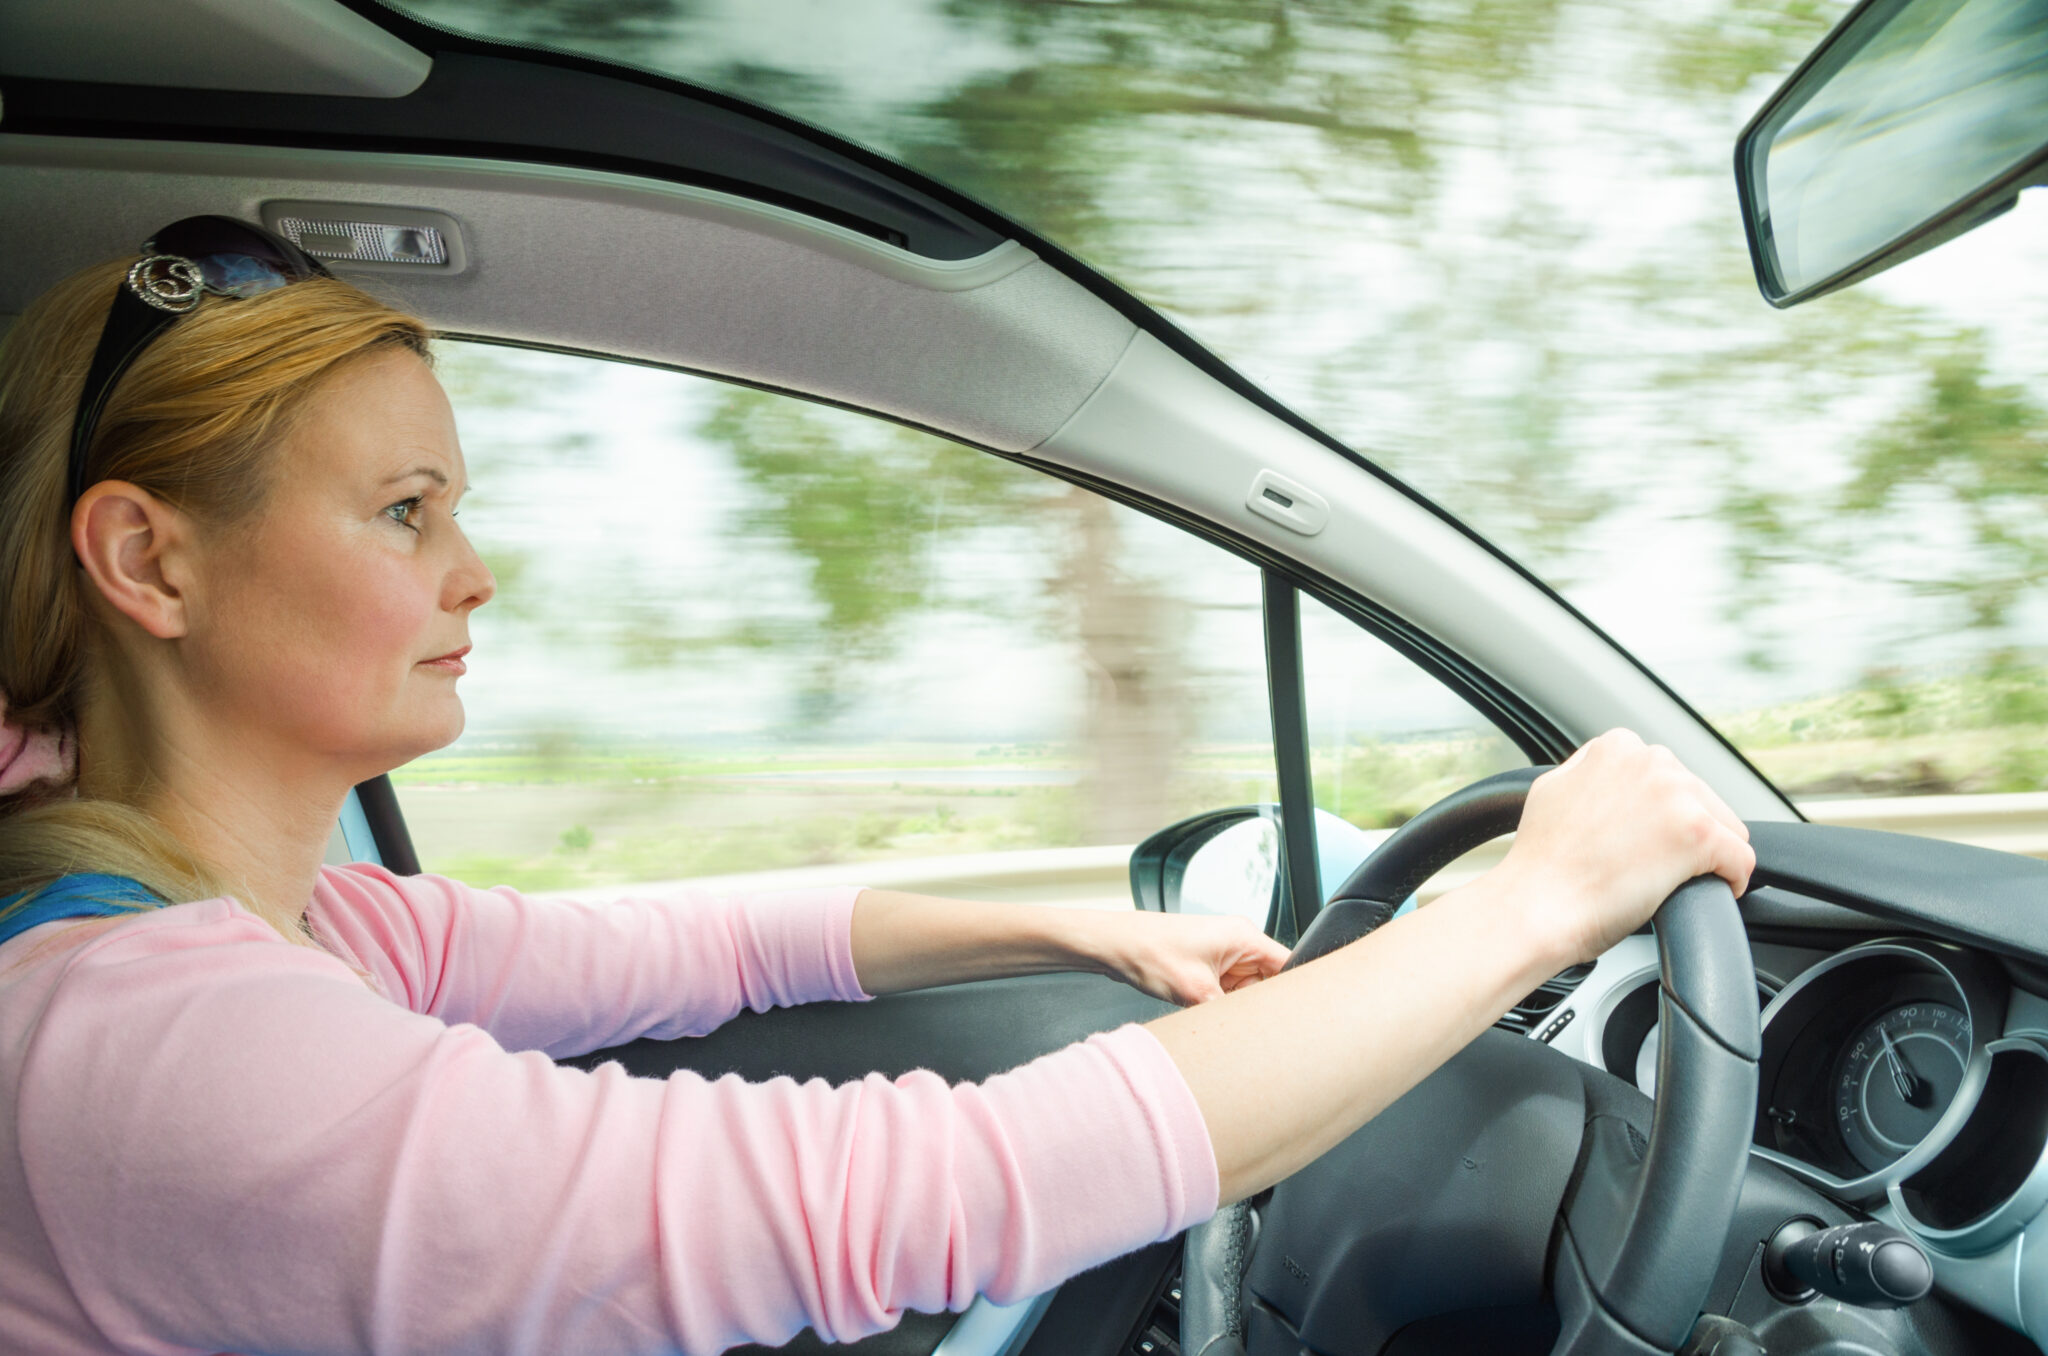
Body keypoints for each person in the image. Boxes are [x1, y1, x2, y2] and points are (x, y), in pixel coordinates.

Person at [0, 219, 1754, 1356]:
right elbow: (928, 1186)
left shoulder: (313, 926)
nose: (475, 575)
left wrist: (1065, 928)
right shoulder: (158, 1044)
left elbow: (689, 948)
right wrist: (1533, 904)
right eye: (405, 512)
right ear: (149, 562)